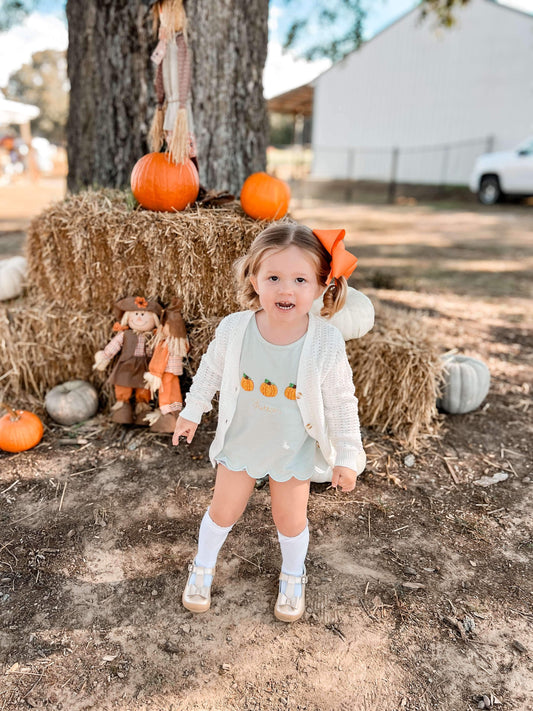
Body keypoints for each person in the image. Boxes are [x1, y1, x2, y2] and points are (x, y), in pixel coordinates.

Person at [173, 223, 366, 622]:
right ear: (254, 278)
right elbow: (208, 371)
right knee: (223, 509)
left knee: (290, 518)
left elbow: (341, 403)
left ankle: (293, 574)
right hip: (242, 441)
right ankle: (203, 566)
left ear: (320, 286)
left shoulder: (325, 342)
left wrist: (349, 454)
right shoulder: (235, 328)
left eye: (300, 279)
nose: (286, 290)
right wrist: (192, 412)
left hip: (293, 448)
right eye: (273, 277)